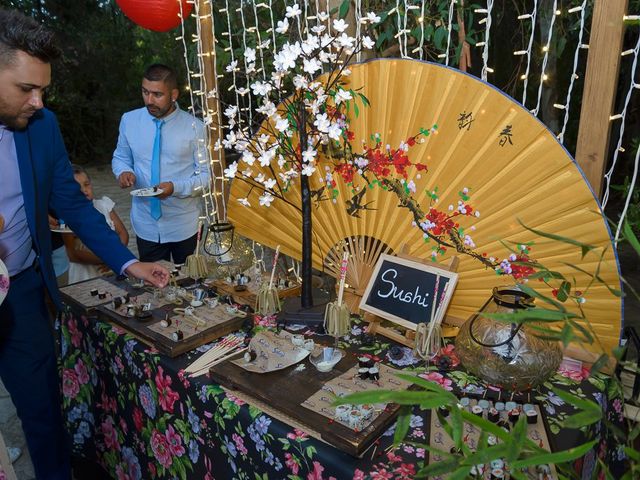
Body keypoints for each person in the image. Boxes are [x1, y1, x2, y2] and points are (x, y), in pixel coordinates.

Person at [0, 9, 170, 480]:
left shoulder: (42, 125)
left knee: (42, 409)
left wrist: (128, 263)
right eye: (25, 89)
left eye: (43, 89)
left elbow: (72, 206)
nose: (38, 101)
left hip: (22, 292)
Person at [112, 63, 209, 264]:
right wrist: (123, 171)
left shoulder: (195, 129)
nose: (149, 100)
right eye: (145, 92)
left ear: (174, 94)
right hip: (145, 223)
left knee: (191, 285)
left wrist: (176, 188)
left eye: (157, 94)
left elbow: (207, 177)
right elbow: (120, 157)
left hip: (184, 224)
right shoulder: (129, 120)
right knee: (154, 289)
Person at [64, 165, 129, 284]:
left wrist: (115, 259)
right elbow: (72, 254)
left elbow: (122, 233)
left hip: (112, 269)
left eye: (86, 184)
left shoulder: (104, 205)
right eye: (77, 187)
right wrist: (108, 259)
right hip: (85, 275)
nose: (84, 190)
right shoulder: (67, 216)